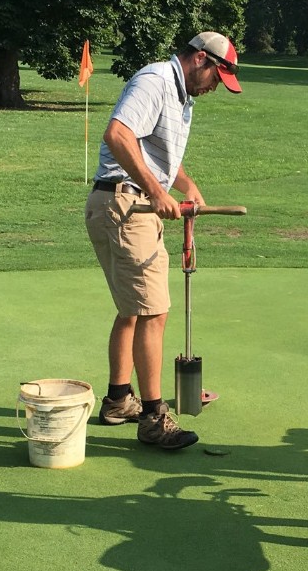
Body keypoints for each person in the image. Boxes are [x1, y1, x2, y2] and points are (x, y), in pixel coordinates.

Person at [84, 32, 241, 450]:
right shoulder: (155, 80)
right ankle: (153, 419)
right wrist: (156, 192)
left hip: (121, 204)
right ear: (199, 60)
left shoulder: (179, 95)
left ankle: (119, 400)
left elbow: (158, 153)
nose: (213, 89)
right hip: (127, 206)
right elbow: (117, 134)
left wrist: (185, 185)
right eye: (216, 78)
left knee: (133, 311)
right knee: (153, 312)